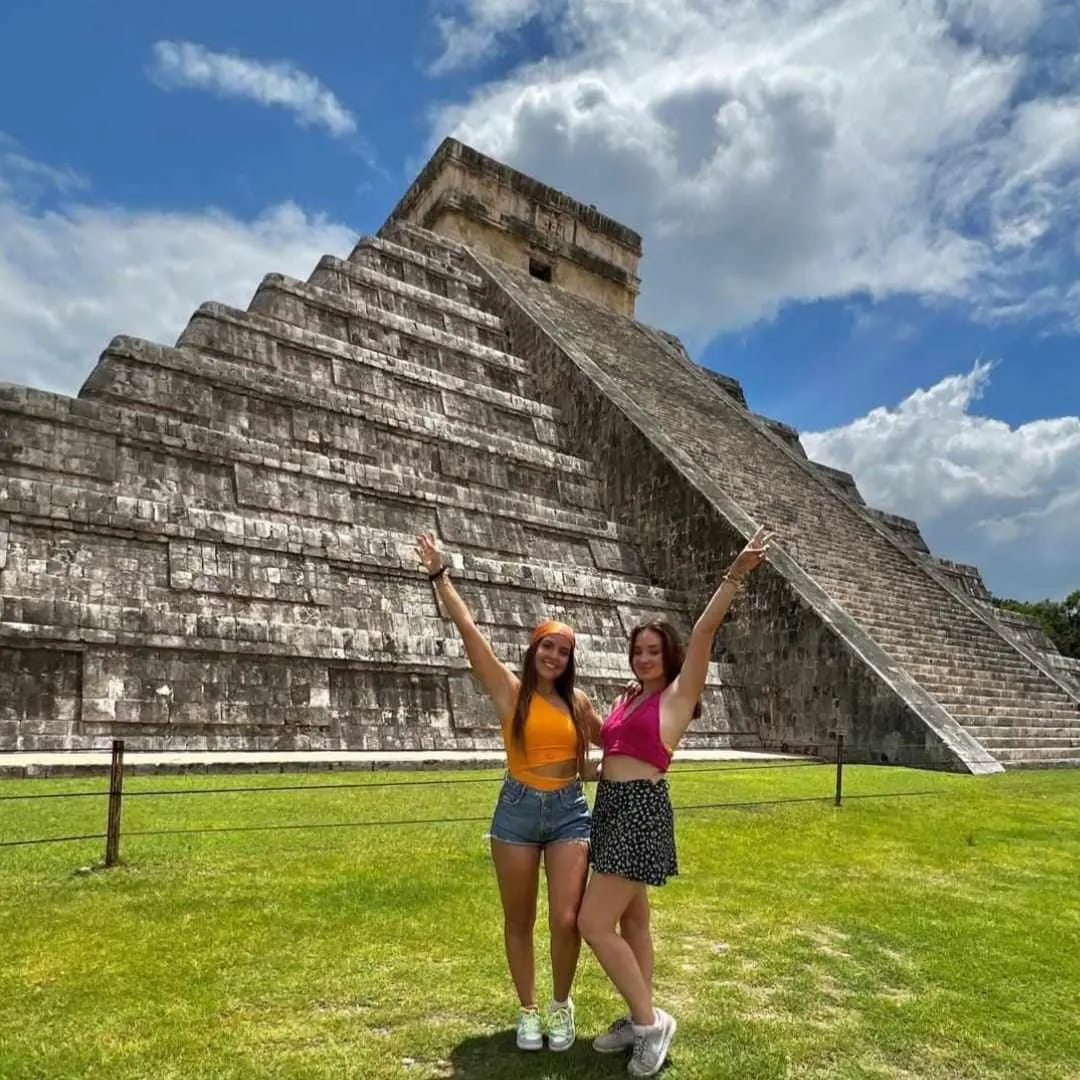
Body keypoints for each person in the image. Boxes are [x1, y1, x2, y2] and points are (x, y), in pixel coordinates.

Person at [578, 525, 775, 1077]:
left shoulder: (676, 696)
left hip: (640, 812)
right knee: (633, 923)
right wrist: (587, 714)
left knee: (593, 924)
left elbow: (707, 630)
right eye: (637, 650)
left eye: (652, 650)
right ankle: (637, 1010)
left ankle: (648, 1023)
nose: (643, 658)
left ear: (668, 655)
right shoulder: (629, 700)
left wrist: (735, 575)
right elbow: (608, 748)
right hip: (611, 807)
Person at [415, 532, 602, 1053]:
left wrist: (650, 704)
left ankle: (562, 1007)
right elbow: (469, 630)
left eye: (564, 652)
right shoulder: (510, 692)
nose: (556, 656)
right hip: (517, 811)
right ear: (534, 649)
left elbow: (618, 741)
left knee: (568, 918)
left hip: (568, 811)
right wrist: (440, 575)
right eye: (549, 646)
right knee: (518, 919)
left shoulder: (580, 703)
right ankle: (527, 1010)